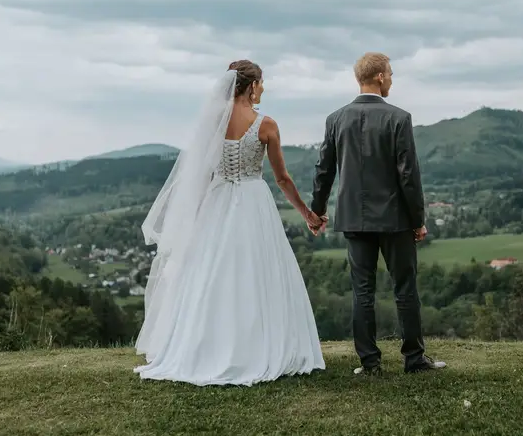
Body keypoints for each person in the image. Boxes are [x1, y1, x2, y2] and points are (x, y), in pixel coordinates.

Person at [134, 60, 326, 385]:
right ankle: (255, 347)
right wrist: (309, 214)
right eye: (261, 83)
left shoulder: (213, 123)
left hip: (216, 202)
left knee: (212, 274)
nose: (263, 89)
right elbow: (282, 179)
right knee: (256, 272)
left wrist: (192, 219)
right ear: (251, 86)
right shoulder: (267, 125)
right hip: (253, 201)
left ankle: (205, 347)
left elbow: (200, 173)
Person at [310, 52, 445, 375]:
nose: (392, 80)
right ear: (381, 77)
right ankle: (414, 359)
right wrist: (418, 220)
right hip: (395, 219)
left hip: (354, 218)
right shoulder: (398, 118)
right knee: (405, 288)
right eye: (392, 74)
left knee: (362, 291)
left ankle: (369, 363)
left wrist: (317, 211)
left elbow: (324, 171)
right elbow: (408, 175)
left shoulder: (335, 119)